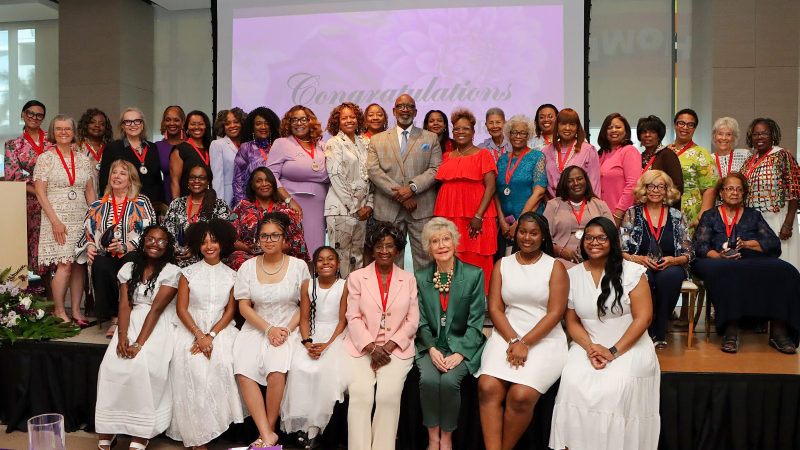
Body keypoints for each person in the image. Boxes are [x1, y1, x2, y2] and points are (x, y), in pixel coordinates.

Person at [549, 217, 660, 450]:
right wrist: (590, 348)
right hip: (587, 343)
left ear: (613, 241)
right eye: (589, 237)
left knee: (613, 388)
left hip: (629, 344)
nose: (594, 242)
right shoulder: (573, 274)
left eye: (602, 237)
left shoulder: (632, 271)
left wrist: (612, 352)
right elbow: (572, 321)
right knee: (572, 380)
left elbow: (644, 318)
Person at [478, 212, 568, 450]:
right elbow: (495, 308)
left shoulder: (555, 267)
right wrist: (514, 340)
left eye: (534, 233)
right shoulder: (503, 264)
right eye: (522, 231)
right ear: (516, 233)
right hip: (507, 334)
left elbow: (555, 313)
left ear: (543, 236)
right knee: (487, 387)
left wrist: (525, 343)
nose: (527, 237)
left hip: (544, 339)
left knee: (520, 396)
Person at [95, 226, 181, 450]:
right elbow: (124, 304)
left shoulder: (172, 271)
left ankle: (141, 431)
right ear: (143, 242)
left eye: (161, 241)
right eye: (150, 239)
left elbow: (156, 310)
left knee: (142, 366)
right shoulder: (128, 268)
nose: (155, 244)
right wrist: (122, 336)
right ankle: (110, 427)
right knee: (110, 366)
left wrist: (138, 344)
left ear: (168, 246)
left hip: (157, 325)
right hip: (131, 321)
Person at [693, 173, 800, 354]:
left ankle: (779, 331)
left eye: (739, 189)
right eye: (729, 188)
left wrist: (746, 244)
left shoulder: (753, 215)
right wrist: (719, 256)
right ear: (721, 192)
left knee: (787, 271)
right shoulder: (710, 215)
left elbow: (773, 243)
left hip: (749, 257)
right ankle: (731, 330)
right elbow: (700, 246)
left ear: (744, 193)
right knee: (730, 270)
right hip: (714, 259)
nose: (734, 192)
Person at [233, 212, 311, 448]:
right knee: (243, 366)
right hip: (257, 325)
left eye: (274, 235)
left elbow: (304, 307)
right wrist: (268, 329)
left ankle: (268, 431)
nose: (268, 240)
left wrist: (285, 330)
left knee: (276, 368)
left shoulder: (299, 266)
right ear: (257, 239)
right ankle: (266, 433)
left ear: (284, 238)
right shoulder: (247, 267)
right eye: (264, 236)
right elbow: (244, 306)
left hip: (289, 325)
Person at [167, 219, 245, 450]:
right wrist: (198, 335)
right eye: (203, 242)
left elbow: (230, 311)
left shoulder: (232, 275)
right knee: (191, 365)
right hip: (189, 328)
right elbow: (181, 309)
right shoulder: (187, 273)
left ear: (223, 243)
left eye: (214, 240)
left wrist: (210, 335)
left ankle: (210, 427)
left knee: (223, 362)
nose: (209, 246)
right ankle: (195, 436)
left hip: (219, 329)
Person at [344, 222, 419, 450]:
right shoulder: (357, 277)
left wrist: (387, 347)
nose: (384, 251)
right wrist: (371, 347)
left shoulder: (408, 279)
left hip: (396, 349)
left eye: (389, 246)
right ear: (372, 248)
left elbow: (412, 320)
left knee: (388, 397)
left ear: (398, 250)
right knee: (361, 396)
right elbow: (353, 317)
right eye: (379, 246)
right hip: (361, 347)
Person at [415, 218, 486, 450]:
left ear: (455, 242)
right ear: (429, 247)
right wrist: (432, 349)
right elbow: (421, 322)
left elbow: (476, 324)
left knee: (448, 383)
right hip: (430, 345)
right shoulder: (420, 277)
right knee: (428, 380)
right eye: (435, 241)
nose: (441, 245)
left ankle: (447, 438)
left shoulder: (474, 275)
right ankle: (432, 438)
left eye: (446, 239)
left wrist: (460, 353)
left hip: (463, 345)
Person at [281, 246, 349, 449]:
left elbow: (342, 321)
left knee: (323, 371)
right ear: (314, 264)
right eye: (320, 260)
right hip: (311, 333)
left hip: (335, 336)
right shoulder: (307, 286)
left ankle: (315, 428)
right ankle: (303, 424)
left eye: (330, 259)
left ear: (337, 264)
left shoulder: (344, 286)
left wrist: (328, 345)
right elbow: (303, 318)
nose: (325, 263)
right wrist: (307, 341)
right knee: (300, 367)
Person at [76, 160, 155, 336]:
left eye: (122, 173)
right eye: (114, 172)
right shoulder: (98, 205)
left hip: (132, 253)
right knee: (100, 263)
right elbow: (87, 232)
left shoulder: (141, 203)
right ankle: (113, 316)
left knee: (129, 261)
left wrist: (126, 246)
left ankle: (126, 314)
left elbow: (151, 232)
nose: (117, 176)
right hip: (106, 254)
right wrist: (89, 246)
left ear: (131, 179)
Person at [367, 94, 442, 271]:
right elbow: (373, 171)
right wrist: (400, 195)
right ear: (394, 111)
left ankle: (423, 298)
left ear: (415, 111)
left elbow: (435, 169)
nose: (405, 109)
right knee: (389, 259)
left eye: (409, 106)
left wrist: (412, 188)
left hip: (421, 207)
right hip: (388, 209)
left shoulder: (430, 138)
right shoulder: (377, 139)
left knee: (426, 258)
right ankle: (392, 298)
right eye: (401, 106)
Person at [33, 115, 95, 326]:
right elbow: (40, 193)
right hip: (56, 216)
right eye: (58, 129)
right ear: (53, 131)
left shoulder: (83, 158)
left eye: (67, 128)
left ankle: (76, 310)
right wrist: (55, 221)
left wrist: (93, 219)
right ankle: (59, 310)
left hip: (80, 216)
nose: (63, 132)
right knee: (65, 264)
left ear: (73, 131)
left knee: (79, 264)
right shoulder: (45, 158)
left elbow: (89, 191)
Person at [620, 170, 692, 348]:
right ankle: (645, 328)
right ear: (644, 189)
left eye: (661, 186)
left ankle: (659, 331)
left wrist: (673, 260)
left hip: (670, 266)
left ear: (667, 190)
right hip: (639, 264)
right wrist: (637, 258)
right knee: (644, 276)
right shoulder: (631, 213)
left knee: (671, 277)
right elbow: (620, 249)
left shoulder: (677, 216)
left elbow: (688, 253)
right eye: (650, 185)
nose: (655, 190)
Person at [434, 108, 497, 290]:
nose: (461, 132)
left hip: (476, 216)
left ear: (473, 132)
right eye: (457, 129)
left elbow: (491, 187)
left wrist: (478, 216)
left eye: (466, 128)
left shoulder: (483, 154)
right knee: (451, 255)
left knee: (478, 257)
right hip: (449, 215)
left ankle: (482, 302)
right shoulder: (446, 156)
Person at [267, 105, 330, 253]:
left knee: (315, 249)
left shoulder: (323, 147)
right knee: (293, 248)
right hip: (292, 206)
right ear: (288, 123)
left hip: (319, 207)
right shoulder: (282, 143)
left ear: (311, 122)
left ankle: (311, 276)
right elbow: (271, 175)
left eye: (303, 119)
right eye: (294, 120)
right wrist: (289, 201)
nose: (299, 123)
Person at [741, 118, 800, 269]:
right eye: (756, 134)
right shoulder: (749, 161)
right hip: (754, 220)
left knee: (782, 262)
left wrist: (788, 223)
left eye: (764, 133)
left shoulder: (783, 155)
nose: (760, 137)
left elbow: (795, 190)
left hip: (777, 218)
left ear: (772, 135)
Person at [324, 102, 373, 277]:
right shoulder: (333, 143)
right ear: (337, 121)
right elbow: (336, 177)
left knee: (357, 257)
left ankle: (355, 299)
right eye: (344, 118)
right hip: (340, 210)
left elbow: (371, 174)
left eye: (352, 117)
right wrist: (355, 207)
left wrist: (369, 205)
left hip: (362, 210)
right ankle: (340, 300)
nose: (349, 120)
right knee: (341, 258)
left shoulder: (364, 142)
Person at [4, 100, 50, 287]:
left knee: (50, 248)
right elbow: (13, 176)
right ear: (23, 114)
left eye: (39, 115)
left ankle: (53, 298)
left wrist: (49, 195)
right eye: (30, 113)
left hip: (55, 200)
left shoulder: (53, 140)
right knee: (30, 248)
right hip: (28, 203)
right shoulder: (13, 144)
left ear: (43, 119)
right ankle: (25, 300)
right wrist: (40, 194)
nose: (34, 117)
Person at [228, 167, 309, 270]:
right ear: (252, 186)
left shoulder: (286, 210)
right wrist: (247, 248)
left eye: (268, 180)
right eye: (259, 181)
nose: (264, 184)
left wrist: (274, 249)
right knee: (238, 260)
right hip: (249, 255)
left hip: (280, 254)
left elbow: (297, 242)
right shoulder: (242, 207)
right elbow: (230, 239)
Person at [493, 114, 547, 256]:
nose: (518, 136)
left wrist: (518, 223)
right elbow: (496, 193)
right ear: (508, 135)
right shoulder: (502, 160)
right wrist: (502, 221)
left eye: (522, 133)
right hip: (505, 226)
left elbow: (539, 193)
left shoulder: (537, 156)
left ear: (528, 136)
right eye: (514, 132)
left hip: (529, 222)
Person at [543, 166, 613, 269]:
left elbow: (613, 236)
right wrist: (561, 251)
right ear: (564, 184)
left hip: (597, 258)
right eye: (570, 181)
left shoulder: (600, 204)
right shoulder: (553, 205)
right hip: (562, 260)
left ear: (586, 181)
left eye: (579, 179)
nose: (576, 183)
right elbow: (543, 239)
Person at [163, 164, 231, 267]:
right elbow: (166, 232)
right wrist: (177, 251)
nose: (196, 181)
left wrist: (195, 251)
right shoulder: (176, 203)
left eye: (201, 178)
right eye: (192, 177)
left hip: (206, 260)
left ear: (208, 182)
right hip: (176, 260)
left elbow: (223, 238)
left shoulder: (219, 205)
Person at [99, 108, 164, 206]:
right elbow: (104, 180)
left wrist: (160, 205)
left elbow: (158, 180)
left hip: (151, 204)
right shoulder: (113, 148)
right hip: (124, 205)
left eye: (137, 121)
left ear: (142, 125)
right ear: (122, 126)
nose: (133, 125)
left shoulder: (152, 147)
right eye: (128, 122)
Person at [668, 108, 718, 229]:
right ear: (675, 125)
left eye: (690, 125)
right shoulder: (665, 152)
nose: (685, 127)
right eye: (681, 123)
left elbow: (710, 188)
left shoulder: (701, 153)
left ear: (695, 128)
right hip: (665, 210)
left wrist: (702, 217)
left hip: (691, 214)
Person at [543, 108, 600, 199]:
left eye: (572, 124)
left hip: (581, 205)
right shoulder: (546, 151)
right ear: (557, 126)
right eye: (563, 124)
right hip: (553, 206)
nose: (567, 128)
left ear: (577, 127)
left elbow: (594, 184)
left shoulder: (588, 150)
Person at [232, 106, 283, 207]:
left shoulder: (279, 148)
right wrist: (243, 206)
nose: (263, 127)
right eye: (258, 124)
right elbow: (238, 180)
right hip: (253, 204)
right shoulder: (246, 148)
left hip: (277, 204)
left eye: (267, 123)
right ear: (252, 127)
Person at [598, 113, 641, 226]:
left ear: (625, 130)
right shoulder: (600, 154)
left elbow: (633, 184)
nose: (613, 130)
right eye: (609, 127)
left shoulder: (629, 151)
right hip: (600, 213)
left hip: (622, 215)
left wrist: (618, 214)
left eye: (618, 127)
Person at [638, 115, 683, 207]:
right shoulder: (639, 157)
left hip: (664, 208)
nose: (647, 135)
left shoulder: (667, 154)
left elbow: (677, 186)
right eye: (644, 132)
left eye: (652, 132)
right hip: (643, 207)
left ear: (659, 135)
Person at [170, 110, 212, 200]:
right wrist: (177, 207)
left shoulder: (212, 148)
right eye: (193, 124)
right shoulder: (180, 149)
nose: (197, 127)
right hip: (188, 202)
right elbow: (175, 181)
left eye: (201, 124)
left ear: (206, 126)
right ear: (187, 127)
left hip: (209, 201)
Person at [210, 107, 247, 207]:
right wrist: (219, 205)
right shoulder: (218, 144)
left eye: (236, 122)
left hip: (248, 197)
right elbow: (217, 178)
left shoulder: (247, 145)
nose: (232, 126)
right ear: (222, 127)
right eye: (227, 123)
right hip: (228, 197)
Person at [76, 108, 113, 196]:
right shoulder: (76, 148)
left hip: (108, 196)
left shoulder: (111, 148)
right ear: (85, 125)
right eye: (92, 122)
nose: (97, 125)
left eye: (102, 124)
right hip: (82, 196)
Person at [155, 106, 186, 204]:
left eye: (176, 120)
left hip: (190, 195)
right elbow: (154, 178)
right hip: (166, 197)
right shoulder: (157, 147)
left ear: (183, 123)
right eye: (168, 120)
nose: (172, 123)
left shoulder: (190, 145)